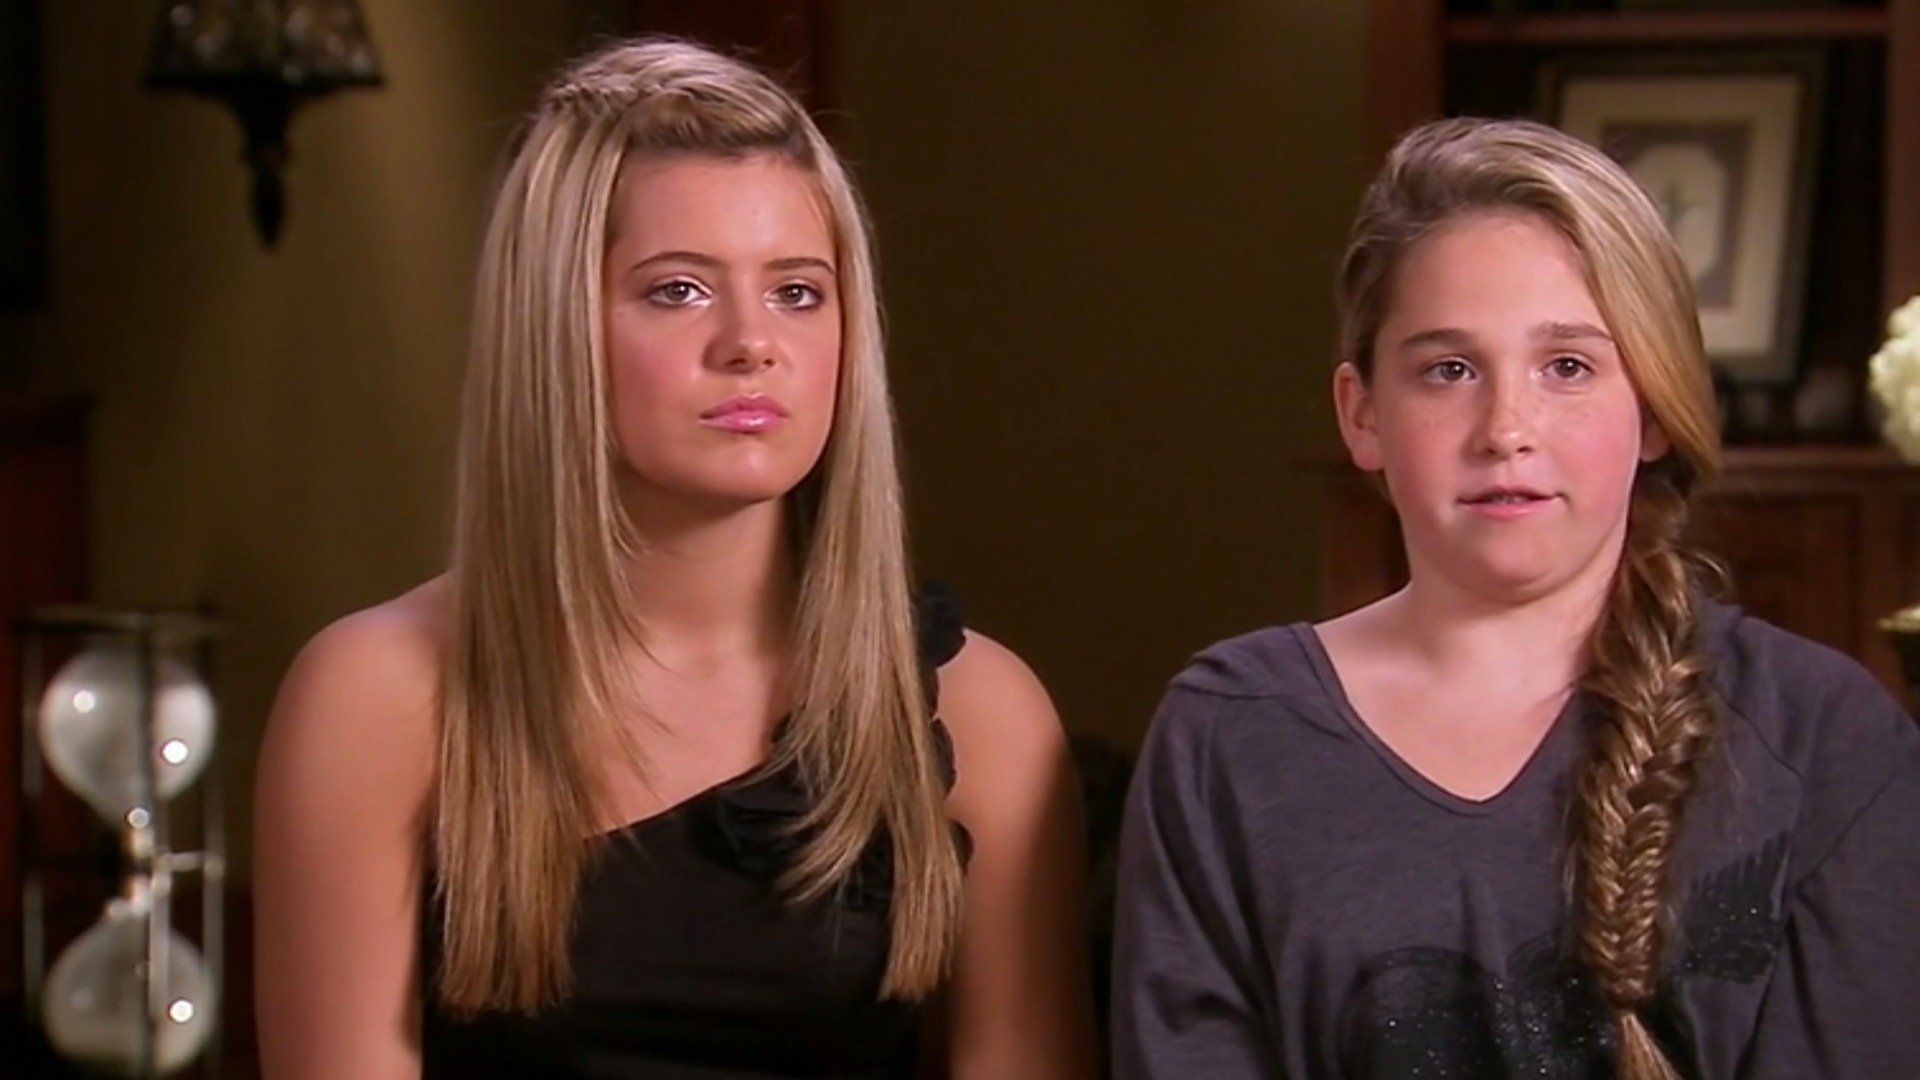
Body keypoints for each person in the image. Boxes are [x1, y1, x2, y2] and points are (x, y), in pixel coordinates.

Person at [254, 37, 1094, 1079]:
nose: (751, 343)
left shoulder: (983, 715)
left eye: (798, 292)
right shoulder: (379, 697)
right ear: (556, 328)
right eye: (679, 290)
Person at [1111, 116, 1920, 1079]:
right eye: (1448, 370)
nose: (1505, 428)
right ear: (1362, 414)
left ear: (1655, 408)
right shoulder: (1230, 735)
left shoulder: (1825, 736)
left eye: (1568, 367)